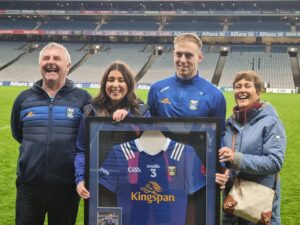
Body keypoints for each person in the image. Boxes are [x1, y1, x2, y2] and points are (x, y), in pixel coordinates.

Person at [11, 42, 91, 225]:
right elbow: (18, 134)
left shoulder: (83, 99)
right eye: (46, 58)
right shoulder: (23, 99)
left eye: (57, 58)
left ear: (68, 66)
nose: (50, 62)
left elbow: (88, 139)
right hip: (29, 188)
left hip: (67, 188)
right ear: (40, 65)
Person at [147, 32, 228, 187]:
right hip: (160, 168)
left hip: (198, 171)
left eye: (188, 55)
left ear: (199, 57)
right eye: (179, 54)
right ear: (173, 55)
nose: (182, 60)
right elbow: (149, 129)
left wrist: (221, 169)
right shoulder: (157, 89)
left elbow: (220, 136)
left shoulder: (215, 95)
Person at [219, 70, 286, 225]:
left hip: (258, 213)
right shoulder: (229, 124)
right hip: (231, 211)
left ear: (258, 92)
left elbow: (275, 162)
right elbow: (224, 161)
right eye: (238, 86)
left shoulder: (271, 122)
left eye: (247, 86)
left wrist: (237, 158)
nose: (241, 90)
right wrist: (222, 172)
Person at [75, 60, 149, 199]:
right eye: (111, 80)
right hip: (100, 183)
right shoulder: (90, 111)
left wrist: (130, 119)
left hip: (135, 185)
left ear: (129, 84)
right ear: (104, 84)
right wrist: (81, 178)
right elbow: (81, 150)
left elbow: (149, 147)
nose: (115, 85)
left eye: (121, 80)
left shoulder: (142, 111)